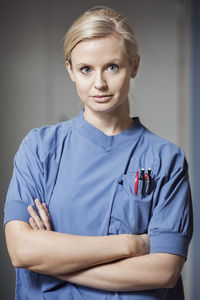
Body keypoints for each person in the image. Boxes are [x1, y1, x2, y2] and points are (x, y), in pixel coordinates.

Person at [4, 6, 193, 300]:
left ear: (134, 66)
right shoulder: (40, 149)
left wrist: (52, 262)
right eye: (86, 69)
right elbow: (22, 250)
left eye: (112, 67)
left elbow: (164, 271)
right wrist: (131, 245)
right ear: (70, 70)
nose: (99, 83)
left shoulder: (166, 160)